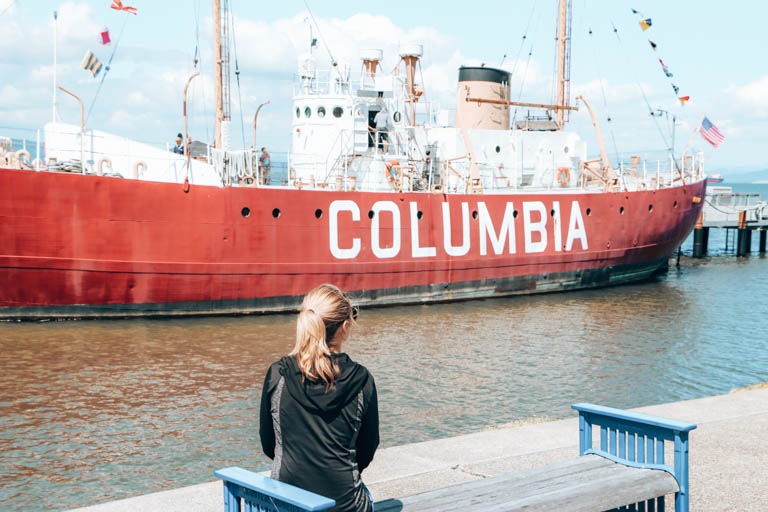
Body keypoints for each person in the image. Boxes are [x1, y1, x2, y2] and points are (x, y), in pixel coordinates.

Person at [260, 284, 379, 512]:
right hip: (345, 506)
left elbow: (269, 444)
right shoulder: (362, 380)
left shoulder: (278, 374)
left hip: (285, 504)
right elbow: (368, 448)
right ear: (344, 327)